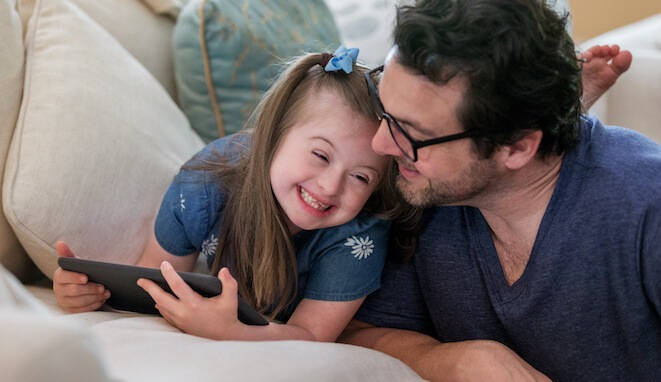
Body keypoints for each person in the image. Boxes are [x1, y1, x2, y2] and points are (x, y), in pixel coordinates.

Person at [339, 0, 660, 381]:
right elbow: (357, 334)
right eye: (383, 108)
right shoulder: (422, 196)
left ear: (518, 148)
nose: (381, 145)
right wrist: (465, 360)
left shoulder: (645, 208)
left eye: (413, 134)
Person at [52, 47, 417, 342]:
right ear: (273, 135)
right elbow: (154, 280)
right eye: (320, 155)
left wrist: (233, 333)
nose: (330, 186)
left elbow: (312, 333)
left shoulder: (360, 232)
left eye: (360, 177)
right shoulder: (204, 184)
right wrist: (91, 294)